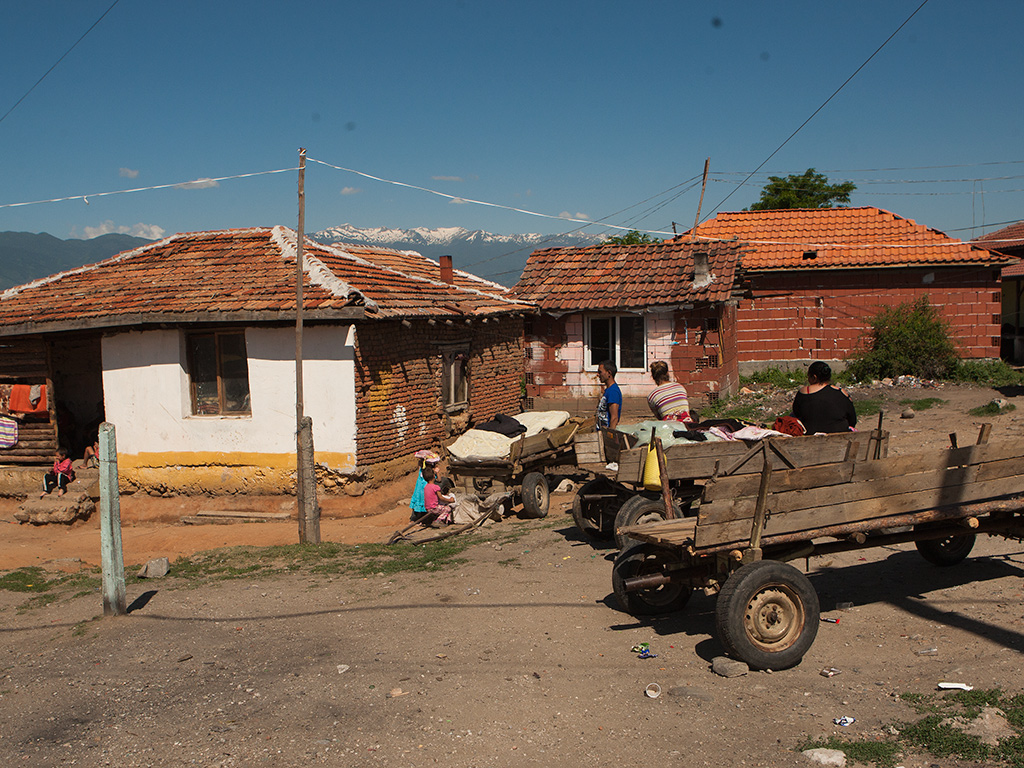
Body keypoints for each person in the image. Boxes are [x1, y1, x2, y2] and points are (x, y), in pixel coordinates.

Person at [791, 361, 857, 434]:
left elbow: (797, 413)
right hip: (840, 436)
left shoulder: (804, 392)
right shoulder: (841, 392)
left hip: (810, 436)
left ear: (814, 377)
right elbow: (852, 420)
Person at [409, 450, 441, 521]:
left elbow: (439, 480)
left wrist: (437, 472)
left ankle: (421, 519)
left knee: (425, 502)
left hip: (424, 490)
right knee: (419, 502)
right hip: (419, 489)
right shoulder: (422, 470)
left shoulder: (432, 472)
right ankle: (417, 518)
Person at [596, 359, 622, 429]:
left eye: (600, 372)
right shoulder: (608, 390)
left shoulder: (613, 391)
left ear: (609, 373)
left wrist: (610, 437)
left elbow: (614, 418)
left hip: (606, 434)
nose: (598, 374)